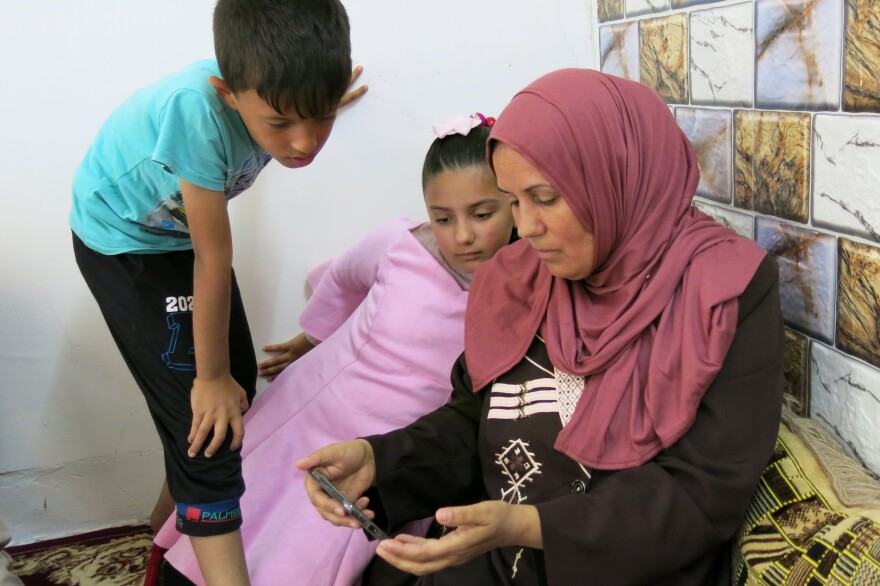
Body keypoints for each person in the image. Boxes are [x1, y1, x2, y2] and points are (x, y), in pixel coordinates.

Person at [299, 69, 785, 586]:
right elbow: (473, 420)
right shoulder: (518, 278)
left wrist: (535, 526)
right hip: (501, 562)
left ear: (611, 177)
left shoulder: (723, 290)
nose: (526, 228)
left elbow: (703, 493)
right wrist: (380, 460)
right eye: (513, 202)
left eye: (545, 198)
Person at [69, 1, 366, 583]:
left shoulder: (282, 92)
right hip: (124, 242)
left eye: (322, 115)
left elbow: (295, 110)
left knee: (233, 398)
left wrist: (315, 98)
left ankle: (163, 533)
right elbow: (212, 255)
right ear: (228, 93)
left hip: (182, 238)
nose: (305, 142)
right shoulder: (196, 112)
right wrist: (207, 378)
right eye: (280, 124)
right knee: (210, 424)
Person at [154, 114, 516, 585]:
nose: (462, 235)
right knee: (256, 497)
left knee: (318, 539)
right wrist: (311, 338)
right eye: (443, 218)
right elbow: (344, 279)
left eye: (482, 214)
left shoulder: (524, 288)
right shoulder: (398, 244)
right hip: (320, 400)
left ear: (514, 203)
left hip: (391, 437)